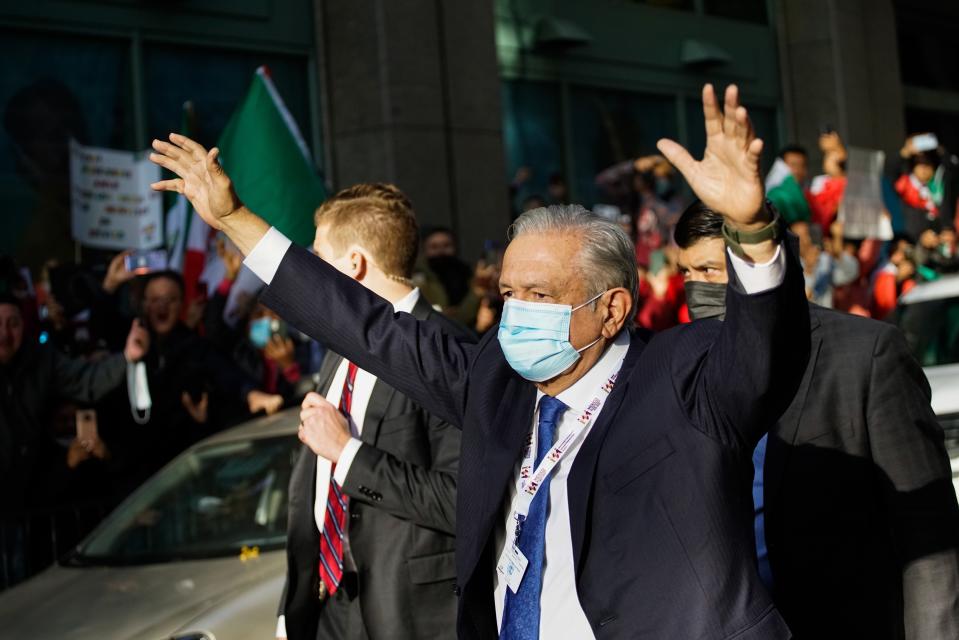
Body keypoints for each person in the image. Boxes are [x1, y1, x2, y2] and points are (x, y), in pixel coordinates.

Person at [151, 83, 809, 639]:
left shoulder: (682, 379)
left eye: (542, 295)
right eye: (509, 292)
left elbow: (762, 350)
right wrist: (234, 217)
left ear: (611, 311)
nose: (518, 312)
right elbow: (367, 326)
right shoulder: (495, 379)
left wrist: (750, 228)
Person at [675, 201, 959, 640]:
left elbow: (927, 535)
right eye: (687, 274)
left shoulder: (865, 356)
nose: (696, 288)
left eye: (711, 271)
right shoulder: (681, 367)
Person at [276, 183, 470, 640]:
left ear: (354, 264)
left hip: (408, 616)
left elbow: (462, 500)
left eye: (318, 257)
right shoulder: (338, 349)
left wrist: (347, 452)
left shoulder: (448, 349)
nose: (311, 275)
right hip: (327, 611)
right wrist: (295, 609)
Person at [0, 294, 148, 585]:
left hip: (21, 505)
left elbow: (86, 381)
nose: (5, 334)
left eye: (13, 323)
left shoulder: (39, 359)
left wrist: (127, 358)